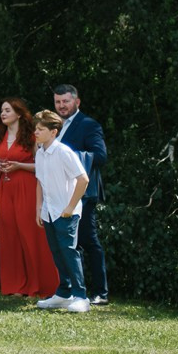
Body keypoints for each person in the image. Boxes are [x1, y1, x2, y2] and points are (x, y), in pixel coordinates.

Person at [0, 98, 58, 298]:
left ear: (18, 114)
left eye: (7, 110)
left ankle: (37, 285)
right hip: (5, 187)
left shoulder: (31, 136)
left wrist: (20, 166)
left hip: (26, 187)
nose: (3, 114)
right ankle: (15, 286)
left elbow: (42, 165)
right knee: (10, 236)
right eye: (1, 110)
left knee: (30, 235)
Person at [53, 83, 109, 306]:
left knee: (88, 240)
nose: (61, 105)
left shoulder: (88, 125)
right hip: (59, 192)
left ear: (77, 102)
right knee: (64, 243)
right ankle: (69, 290)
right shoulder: (53, 125)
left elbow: (100, 156)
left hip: (83, 192)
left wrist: (68, 157)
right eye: (58, 102)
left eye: (65, 101)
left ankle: (101, 292)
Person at [32, 108, 91, 312]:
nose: (36, 133)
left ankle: (81, 296)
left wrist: (70, 207)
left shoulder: (64, 152)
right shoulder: (39, 153)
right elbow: (40, 181)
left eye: (40, 129)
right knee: (57, 252)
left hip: (66, 212)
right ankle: (64, 293)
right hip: (49, 212)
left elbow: (83, 180)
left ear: (53, 132)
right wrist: (39, 208)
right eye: (36, 129)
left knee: (69, 252)